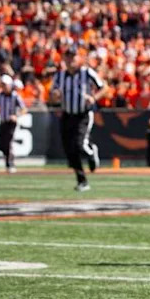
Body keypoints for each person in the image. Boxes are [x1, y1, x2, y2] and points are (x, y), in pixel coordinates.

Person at [50, 46, 106, 191]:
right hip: (67, 115)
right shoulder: (59, 76)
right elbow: (53, 95)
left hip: (83, 114)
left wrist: (93, 98)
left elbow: (104, 88)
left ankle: (90, 152)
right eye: (67, 57)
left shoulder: (87, 73)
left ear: (79, 58)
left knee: (79, 144)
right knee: (69, 150)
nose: (70, 60)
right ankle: (82, 181)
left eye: (73, 56)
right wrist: (55, 96)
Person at [0, 74, 27, 173]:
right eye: (2, 85)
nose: (4, 87)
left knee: (8, 143)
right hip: (3, 121)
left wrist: (16, 116)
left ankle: (10, 164)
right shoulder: (0, 95)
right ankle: (8, 162)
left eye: (5, 85)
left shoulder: (15, 96)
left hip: (11, 122)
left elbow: (24, 109)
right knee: (0, 144)